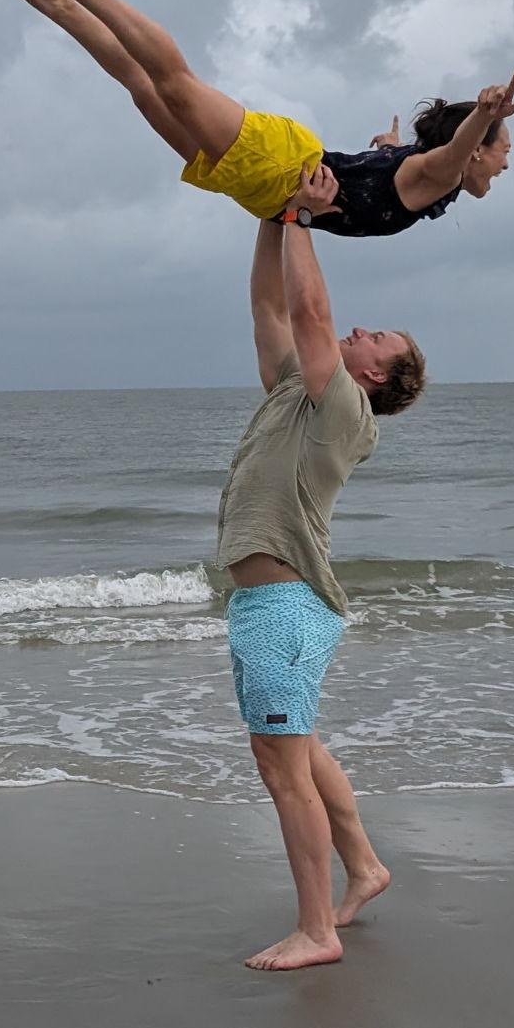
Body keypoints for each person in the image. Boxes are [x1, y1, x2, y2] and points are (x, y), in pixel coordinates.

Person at [219, 173, 411, 969]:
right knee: (299, 751)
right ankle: (363, 868)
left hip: (284, 609)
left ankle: (317, 930)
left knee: (281, 768)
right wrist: (271, 214)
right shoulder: (297, 393)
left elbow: (311, 313)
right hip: (268, 607)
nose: (360, 330)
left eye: (377, 338)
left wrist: (303, 215)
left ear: (375, 376)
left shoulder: (344, 409)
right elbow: (271, 311)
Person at [2, 0, 514, 236]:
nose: (506, 163)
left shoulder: (423, 172)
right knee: (176, 86)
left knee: (144, 90)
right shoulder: (441, 173)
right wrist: (483, 115)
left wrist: (388, 147)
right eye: (504, 150)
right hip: (281, 165)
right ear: (475, 149)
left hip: (268, 193)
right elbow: (452, 153)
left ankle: (65, 9)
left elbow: (410, 162)